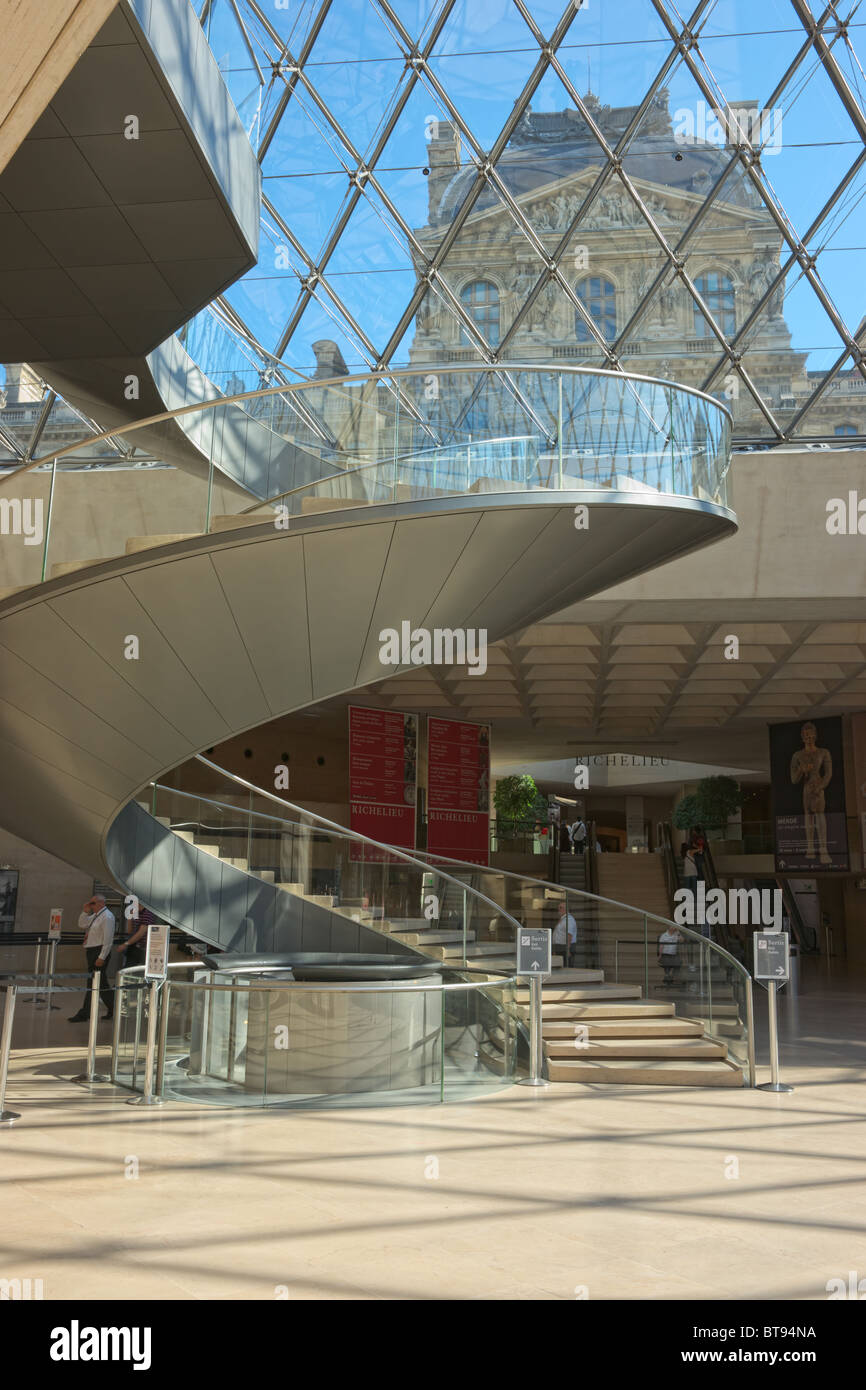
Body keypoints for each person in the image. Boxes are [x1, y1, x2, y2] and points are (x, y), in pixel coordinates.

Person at [68, 893, 115, 1022]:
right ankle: (114, 1007)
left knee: (92, 983)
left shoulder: (107, 917)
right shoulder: (96, 915)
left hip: (99, 951)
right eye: (90, 903)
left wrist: (102, 957)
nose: (91, 905)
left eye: (93, 903)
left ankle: (84, 1013)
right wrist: (85, 911)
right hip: (92, 951)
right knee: (101, 983)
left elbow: (108, 939)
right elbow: (82, 924)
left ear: (101, 903)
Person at [115, 904, 158, 971]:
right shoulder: (136, 912)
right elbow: (130, 931)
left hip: (143, 948)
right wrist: (130, 917)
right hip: (134, 946)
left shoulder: (147, 913)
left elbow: (140, 933)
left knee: (136, 970)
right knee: (128, 969)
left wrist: (126, 944)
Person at [553, 900, 577, 967]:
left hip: (565, 948)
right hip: (560, 948)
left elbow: (569, 935)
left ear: (566, 909)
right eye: (558, 907)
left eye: (560, 907)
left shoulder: (569, 919)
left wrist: (567, 949)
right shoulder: (563, 919)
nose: (558, 909)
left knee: (566, 967)